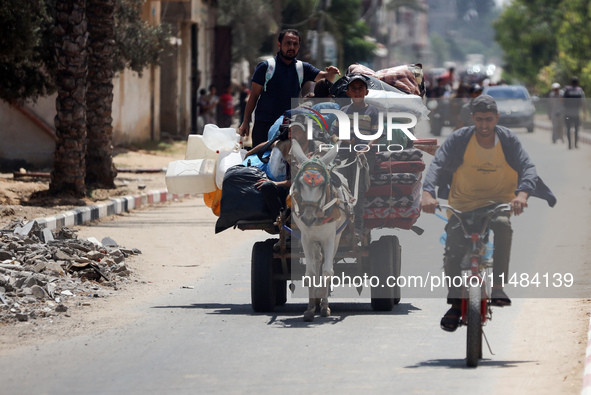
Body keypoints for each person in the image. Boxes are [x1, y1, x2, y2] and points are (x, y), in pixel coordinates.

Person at [420, 94, 556, 332]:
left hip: (498, 202)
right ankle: (455, 303)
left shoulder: (507, 139)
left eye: (489, 120)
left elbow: (528, 167)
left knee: (503, 225)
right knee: (453, 250)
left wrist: (522, 195)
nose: (484, 125)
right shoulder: (460, 139)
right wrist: (427, 194)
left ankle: (498, 287)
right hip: (462, 204)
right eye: (480, 119)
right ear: (472, 118)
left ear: (497, 118)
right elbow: (437, 164)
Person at [238, 29, 341, 148]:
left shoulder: (302, 68)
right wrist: (245, 122)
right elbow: (254, 96)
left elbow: (326, 77)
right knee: (260, 162)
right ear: (279, 44)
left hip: (290, 127)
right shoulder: (266, 67)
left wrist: (332, 73)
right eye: (288, 43)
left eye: (295, 44)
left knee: (287, 163)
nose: (291, 47)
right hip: (264, 125)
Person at [331, 73, 380, 237]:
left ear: (366, 92)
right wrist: (342, 140)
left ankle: (357, 227)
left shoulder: (373, 111)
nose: (357, 92)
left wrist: (366, 148)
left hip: (364, 157)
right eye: (354, 89)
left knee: (357, 189)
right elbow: (333, 134)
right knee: (340, 187)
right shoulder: (343, 112)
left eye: (361, 88)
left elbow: (376, 134)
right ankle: (340, 225)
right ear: (348, 93)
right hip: (344, 155)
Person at [563, 76, 587, 149]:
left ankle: (570, 144)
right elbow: (583, 102)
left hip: (567, 113)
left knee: (568, 129)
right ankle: (576, 144)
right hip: (576, 113)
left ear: (570, 83)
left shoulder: (566, 90)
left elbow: (561, 100)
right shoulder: (580, 91)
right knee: (576, 129)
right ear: (577, 83)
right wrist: (584, 112)